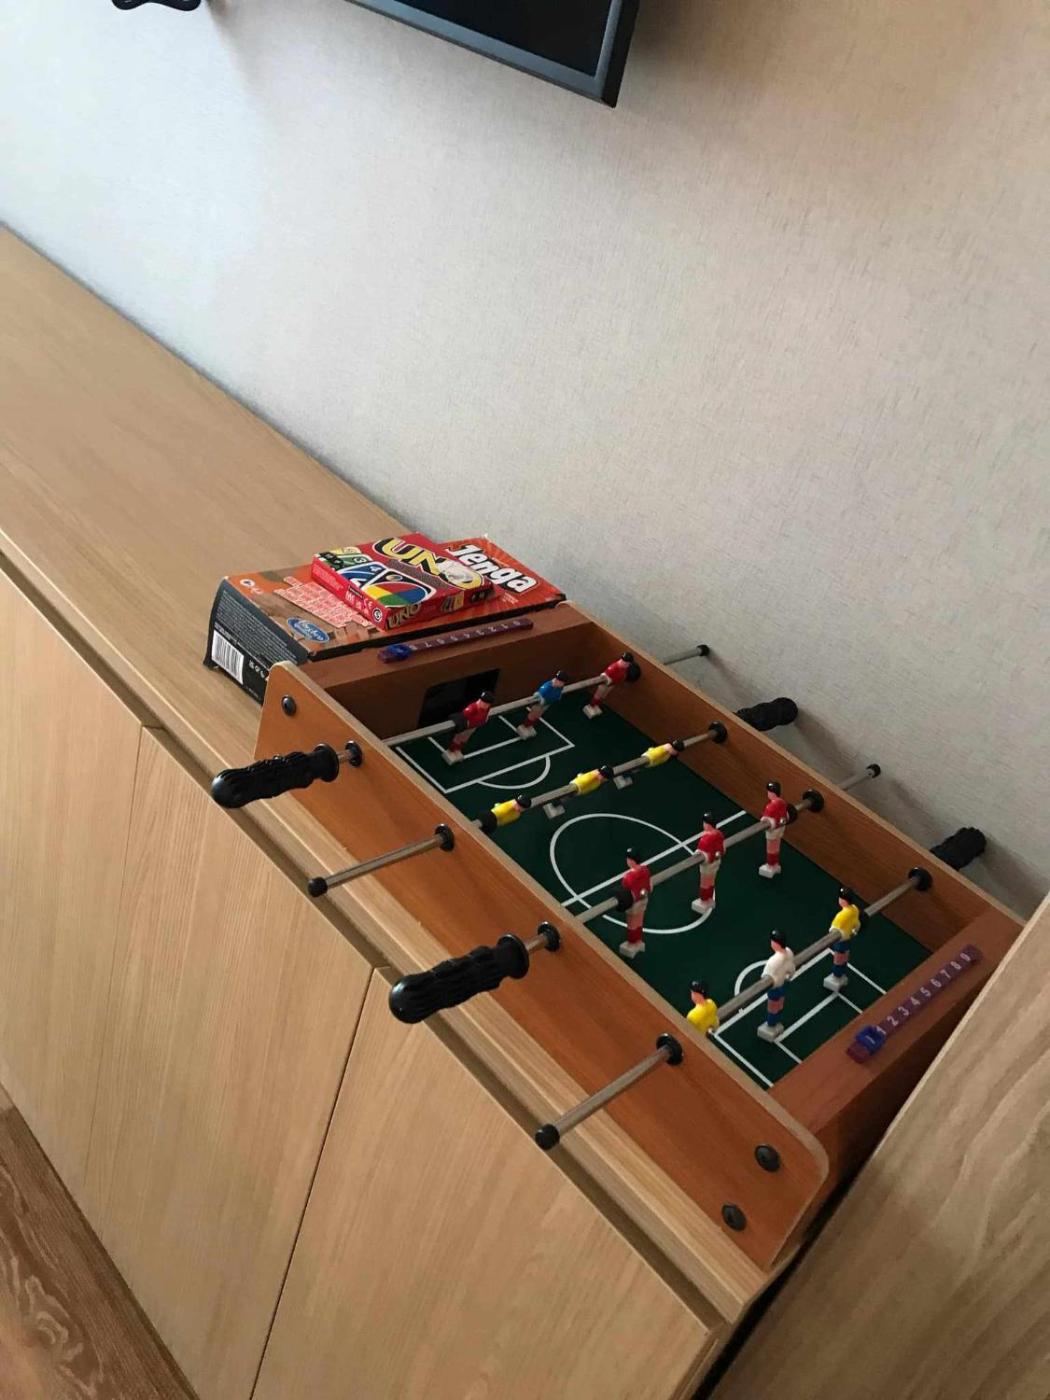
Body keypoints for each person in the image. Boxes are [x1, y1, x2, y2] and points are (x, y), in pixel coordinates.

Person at [757, 933, 796, 1041]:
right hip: (784, 983)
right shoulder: (789, 952)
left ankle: (771, 1024)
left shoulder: (773, 961)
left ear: (776, 944)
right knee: (779, 1005)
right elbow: (791, 967)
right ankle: (774, 1022)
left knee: (773, 1008)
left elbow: (765, 976)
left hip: (775, 987)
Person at [824, 887, 862, 991]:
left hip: (841, 941)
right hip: (848, 939)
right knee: (844, 958)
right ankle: (841, 975)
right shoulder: (855, 909)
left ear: (843, 900)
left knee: (838, 960)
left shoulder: (841, 915)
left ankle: (836, 977)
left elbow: (833, 930)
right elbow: (857, 924)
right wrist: (855, 931)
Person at [443, 690, 495, 764]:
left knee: (465, 739)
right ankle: (451, 751)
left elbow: (485, 715)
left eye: (486, 703)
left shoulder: (487, 708)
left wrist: (484, 719)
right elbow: (464, 716)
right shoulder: (472, 708)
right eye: (482, 701)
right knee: (458, 739)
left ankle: (457, 750)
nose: (484, 704)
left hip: (473, 727)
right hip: (466, 728)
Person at [691, 813, 725, 922]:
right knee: (711, 881)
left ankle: (704, 900)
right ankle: (709, 899)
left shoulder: (705, 839)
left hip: (708, 865)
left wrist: (697, 854)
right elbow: (723, 848)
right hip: (716, 862)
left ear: (708, 824)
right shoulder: (719, 834)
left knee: (704, 883)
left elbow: (699, 852)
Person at [618, 847, 651, 959]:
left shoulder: (628, 877)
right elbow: (649, 885)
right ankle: (639, 941)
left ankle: (632, 944)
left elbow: (625, 892)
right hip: (644, 899)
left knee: (632, 924)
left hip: (633, 904)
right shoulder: (645, 870)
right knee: (640, 921)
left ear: (632, 861)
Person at [517, 670, 568, 739]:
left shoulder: (560, 687)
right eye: (557, 679)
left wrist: (558, 696)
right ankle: (524, 727)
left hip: (547, 704)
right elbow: (538, 693)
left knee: (538, 715)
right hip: (539, 704)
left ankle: (529, 726)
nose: (556, 681)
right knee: (533, 715)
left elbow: (559, 692)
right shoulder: (548, 686)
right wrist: (541, 699)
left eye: (561, 682)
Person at [583, 653, 634, 718]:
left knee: (603, 696)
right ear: (623, 661)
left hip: (611, 685)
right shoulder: (614, 667)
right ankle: (591, 706)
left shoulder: (624, 668)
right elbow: (604, 675)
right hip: (604, 685)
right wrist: (609, 680)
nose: (628, 665)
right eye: (626, 663)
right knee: (598, 696)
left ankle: (596, 706)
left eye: (628, 664)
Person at [759, 779, 790, 878]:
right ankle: (775, 865)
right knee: (776, 847)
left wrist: (765, 821)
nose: (768, 793)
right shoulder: (783, 803)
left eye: (769, 792)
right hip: (780, 828)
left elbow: (765, 819)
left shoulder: (770, 807)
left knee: (771, 849)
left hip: (773, 830)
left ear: (772, 793)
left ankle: (770, 865)